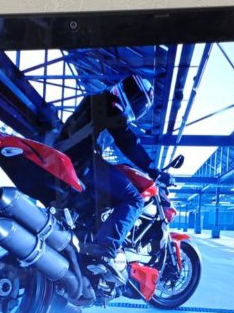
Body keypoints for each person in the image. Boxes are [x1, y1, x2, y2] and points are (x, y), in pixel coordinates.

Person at [53, 74, 166, 279]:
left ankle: (89, 236)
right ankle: (104, 248)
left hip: (69, 157)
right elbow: (128, 141)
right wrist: (152, 169)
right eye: (140, 104)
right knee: (134, 199)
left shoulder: (97, 100)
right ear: (132, 95)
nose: (138, 110)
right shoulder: (110, 104)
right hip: (81, 161)